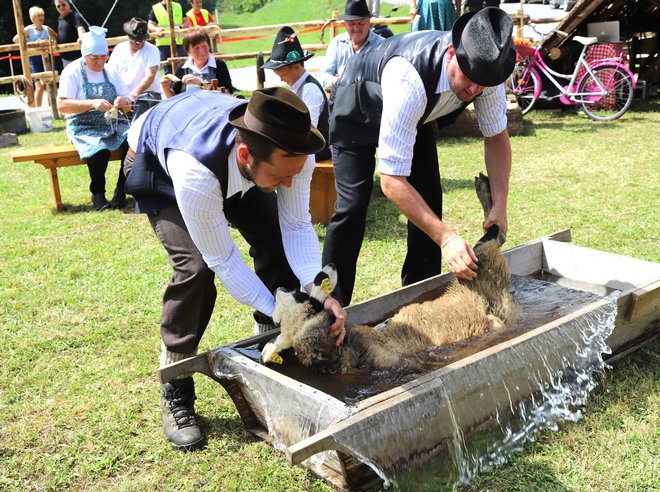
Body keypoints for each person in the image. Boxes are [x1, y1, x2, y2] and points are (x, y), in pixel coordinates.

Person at [124, 87, 347, 450]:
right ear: (246, 155)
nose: (289, 184)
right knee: (195, 270)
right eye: (281, 178)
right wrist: (284, 312)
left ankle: (269, 359)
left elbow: (296, 226)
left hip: (226, 153)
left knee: (276, 242)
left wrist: (318, 292)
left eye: (293, 174)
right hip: (160, 161)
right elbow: (224, 260)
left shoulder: (291, 154)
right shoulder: (195, 174)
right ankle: (175, 381)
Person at [323, 7, 515, 306]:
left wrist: (500, 206)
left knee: (428, 197)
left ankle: (422, 301)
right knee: (352, 206)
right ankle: (329, 305)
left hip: (414, 115)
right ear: (453, 52)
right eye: (469, 77)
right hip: (356, 105)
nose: (475, 89)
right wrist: (448, 240)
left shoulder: (485, 72)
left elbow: (496, 138)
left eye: (482, 82)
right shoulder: (409, 78)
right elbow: (390, 181)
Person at [57, 26, 132, 211]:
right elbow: (62, 105)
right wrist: (92, 103)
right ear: (85, 56)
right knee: (100, 148)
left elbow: (129, 104)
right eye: (94, 58)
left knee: (133, 141)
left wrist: (123, 101)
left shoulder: (111, 70)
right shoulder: (72, 71)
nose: (100, 62)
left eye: (103, 57)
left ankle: (121, 189)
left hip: (112, 122)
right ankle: (98, 193)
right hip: (83, 124)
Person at [263, 26, 330, 161]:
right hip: (302, 147)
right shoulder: (297, 87)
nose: (281, 79)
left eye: (282, 74)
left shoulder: (310, 89)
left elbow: (310, 131)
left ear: (297, 67)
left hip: (313, 151)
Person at [317, 0, 384, 90]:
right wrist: (336, 81)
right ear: (345, 23)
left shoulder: (382, 45)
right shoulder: (336, 43)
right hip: (342, 100)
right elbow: (323, 76)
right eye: (351, 24)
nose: (356, 28)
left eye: (361, 23)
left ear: (368, 22)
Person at [108, 17, 162, 121]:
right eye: (132, 38)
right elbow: (111, 73)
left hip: (147, 95)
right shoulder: (119, 48)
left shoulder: (152, 50)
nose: (135, 42)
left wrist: (134, 94)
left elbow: (150, 76)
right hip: (122, 95)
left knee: (141, 103)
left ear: (145, 39)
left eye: (139, 40)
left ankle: (135, 134)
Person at [160, 28, 234, 98]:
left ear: (209, 46)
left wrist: (201, 84)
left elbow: (228, 94)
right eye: (196, 48)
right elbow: (174, 98)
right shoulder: (183, 67)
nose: (202, 52)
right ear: (188, 50)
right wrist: (165, 88)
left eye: (204, 46)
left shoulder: (219, 65)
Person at [13, 6, 57, 107]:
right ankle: (38, 110)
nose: (41, 18)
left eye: (42, 15)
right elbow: (15, 40)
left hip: (47, 59)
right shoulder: (28, 30)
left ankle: (52, 111)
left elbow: (56, 38)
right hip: (35, 60)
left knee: (50, 86)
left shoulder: (47, 29)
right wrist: (32, 45)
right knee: (39, 87)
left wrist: (48, 42)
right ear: (33, 18)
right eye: (38, 16)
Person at [148, 0, 190, 75]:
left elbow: (187, 22)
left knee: (183, 66)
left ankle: (183, 85)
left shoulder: (178, 6)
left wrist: (180, 27)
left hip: (179, 42)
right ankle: (170, 86)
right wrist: (157, 29)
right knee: (168, 70)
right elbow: (150, 25)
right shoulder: (156, 8)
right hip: (164, 43)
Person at [54, 0, 86, 68]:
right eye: (58, 6)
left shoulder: (75, 16)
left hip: (77, 57)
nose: (61, 7)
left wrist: (81, 37)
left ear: (68, 4)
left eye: (63, 4)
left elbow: (80, 28)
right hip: (65, 58)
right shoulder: (59, 18)